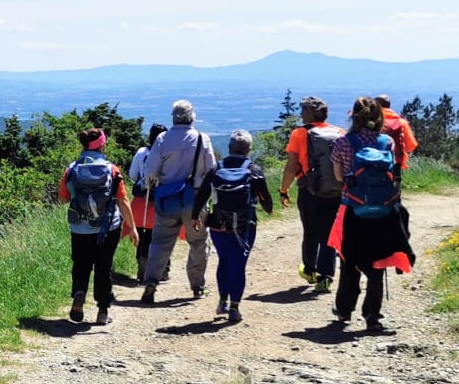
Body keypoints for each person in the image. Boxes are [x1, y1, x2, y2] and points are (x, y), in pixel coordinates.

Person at [328, 97, 415, 334]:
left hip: (352, 209)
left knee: (349, 261)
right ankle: (372, 316)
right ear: (379, 117)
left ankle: (344, 310)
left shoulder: (343, 142)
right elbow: (393, 171)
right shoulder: (386, 141)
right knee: (377, 264)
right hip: (382, 212)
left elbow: (338, 177)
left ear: (353, 116)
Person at [190, 130, 274, 323]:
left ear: (229, 148)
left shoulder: (216, 169)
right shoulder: (254, 170)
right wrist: (268, 209)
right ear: (248, 149)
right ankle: (234, 308)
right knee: (238, 265)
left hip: (218, 226)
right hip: (245, 227)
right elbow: (266, 200)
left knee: (224, 261)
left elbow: (202, 195)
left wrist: (195, 216)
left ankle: (222, 302)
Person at [60, 128, 139, 325]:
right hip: (108, 227)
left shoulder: (72, 169)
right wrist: (132, 228)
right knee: (104, 267)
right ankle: (103, 311)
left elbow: (63, 198)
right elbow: (123, 201)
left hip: (80, 228)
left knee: (81, 264)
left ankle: (79, 292)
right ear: (102, 145)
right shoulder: (112, 170)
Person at [141, 100, 217, 304]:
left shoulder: (162, 139)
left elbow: (150, 171)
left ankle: (151, 282)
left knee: (160, 243)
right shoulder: (202, 138)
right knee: (198, 242)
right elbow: (211, 170)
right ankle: (197, 286)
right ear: (192, 117)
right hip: (195, 200)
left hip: (167, 199)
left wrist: (154, 184)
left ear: (173, 117)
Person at [278, 96, 345, 292]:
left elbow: (292, 166)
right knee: (329, 233)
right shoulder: (340, 133)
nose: (300, 115)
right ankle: (325, 277)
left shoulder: (299, 134)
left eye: (303, 111)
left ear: (309, 114)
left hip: (309, 190)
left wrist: (284, 190)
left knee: (310, 231)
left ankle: (309, 270)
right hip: (335, 191)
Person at [128, 124, 168, 281]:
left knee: (142, 232)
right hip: (162, 198)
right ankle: (162, 268)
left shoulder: (141, 152)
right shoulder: (168, 154)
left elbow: (133, 175)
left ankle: (142, 259)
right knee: (161, 234)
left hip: (141, 199)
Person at [374, 94, 419, 172]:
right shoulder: (401, 122)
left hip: (373, 160)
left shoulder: (371, 122)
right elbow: (410, 145)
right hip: (396, 162)